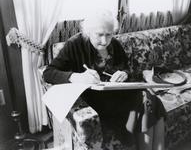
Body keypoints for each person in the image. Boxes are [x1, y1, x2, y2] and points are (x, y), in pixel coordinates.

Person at [43, 10, 166, 150]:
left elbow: (126, 68)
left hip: (119, 94)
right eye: (99, 34)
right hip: (97, 100)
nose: (105, 41)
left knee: (151, 100)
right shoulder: (74, 44)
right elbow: (48, 73)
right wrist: (77, 77)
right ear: (89, 32)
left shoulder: (114, 44)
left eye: (109, 34)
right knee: (147, 104)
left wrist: (124, 74)